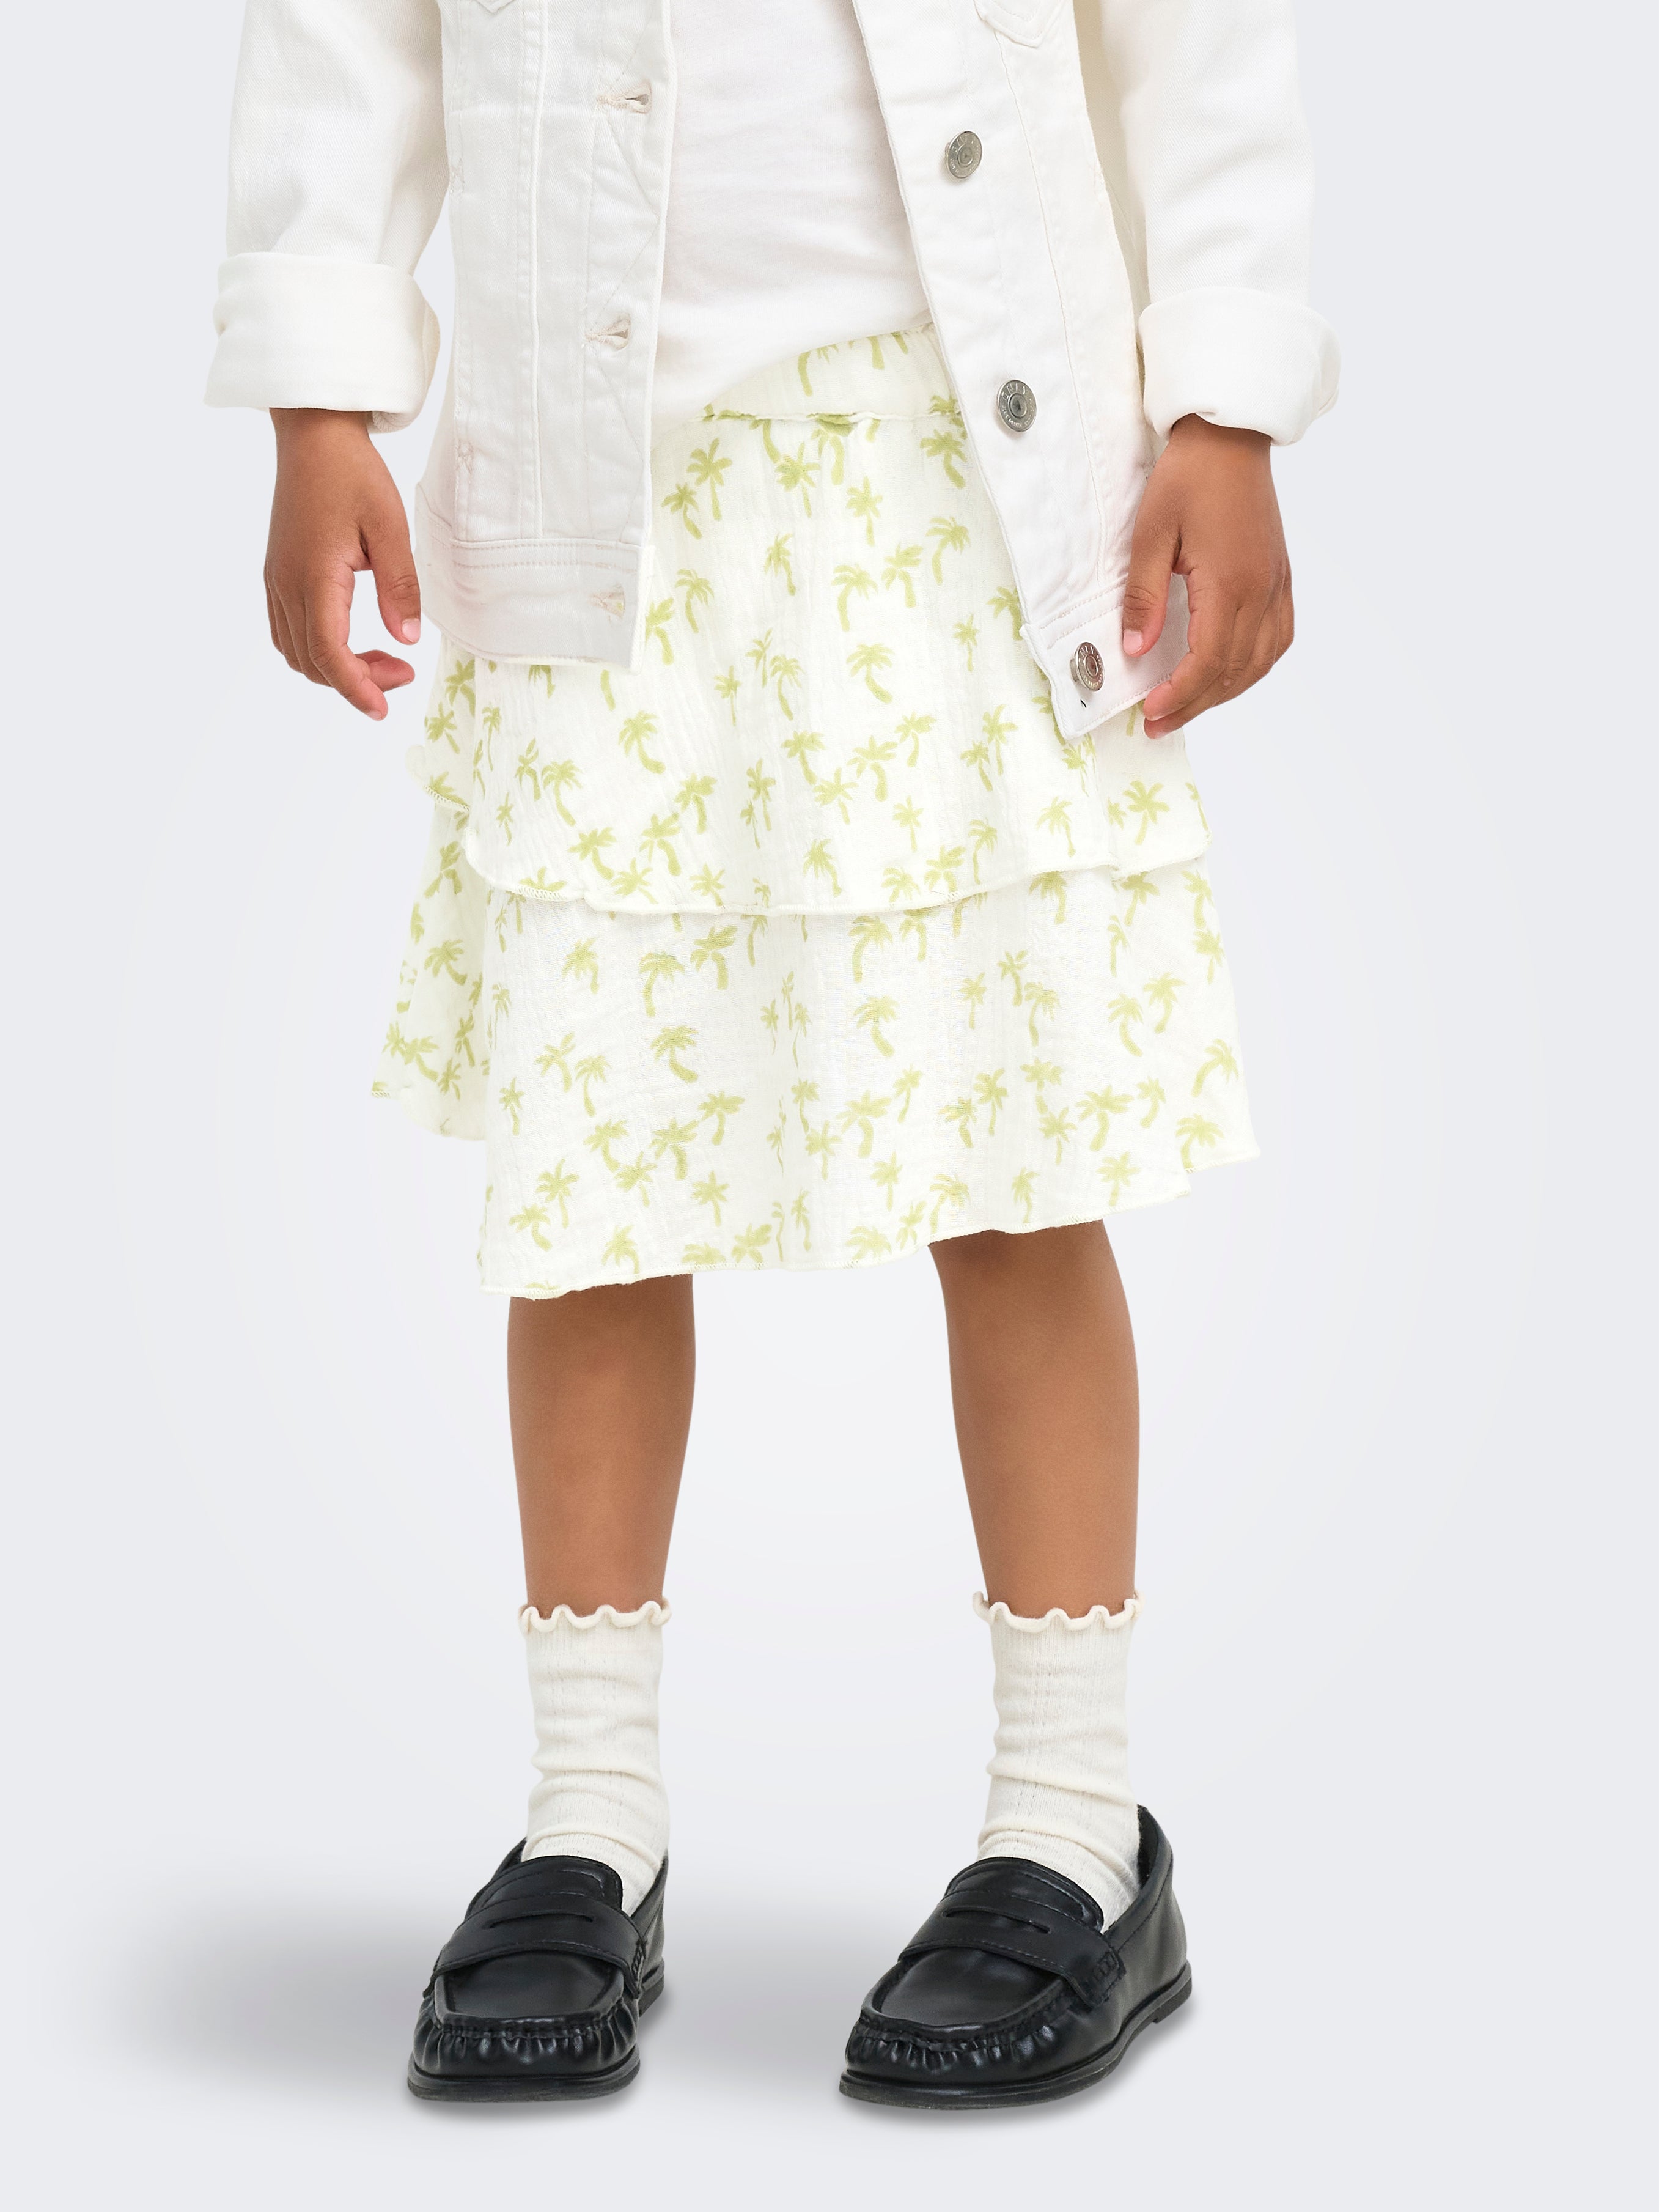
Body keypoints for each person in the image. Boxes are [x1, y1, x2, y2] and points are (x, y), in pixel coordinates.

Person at [208, 0, 1337, 2109]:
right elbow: (347, 32)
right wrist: (319, 396)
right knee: (594, 1175)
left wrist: (1225, 405)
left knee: (1013, 1169)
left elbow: (1192, 42)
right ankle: (589, 1817)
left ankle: (1070, 1826)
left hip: (972, 473)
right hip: (596, 479)